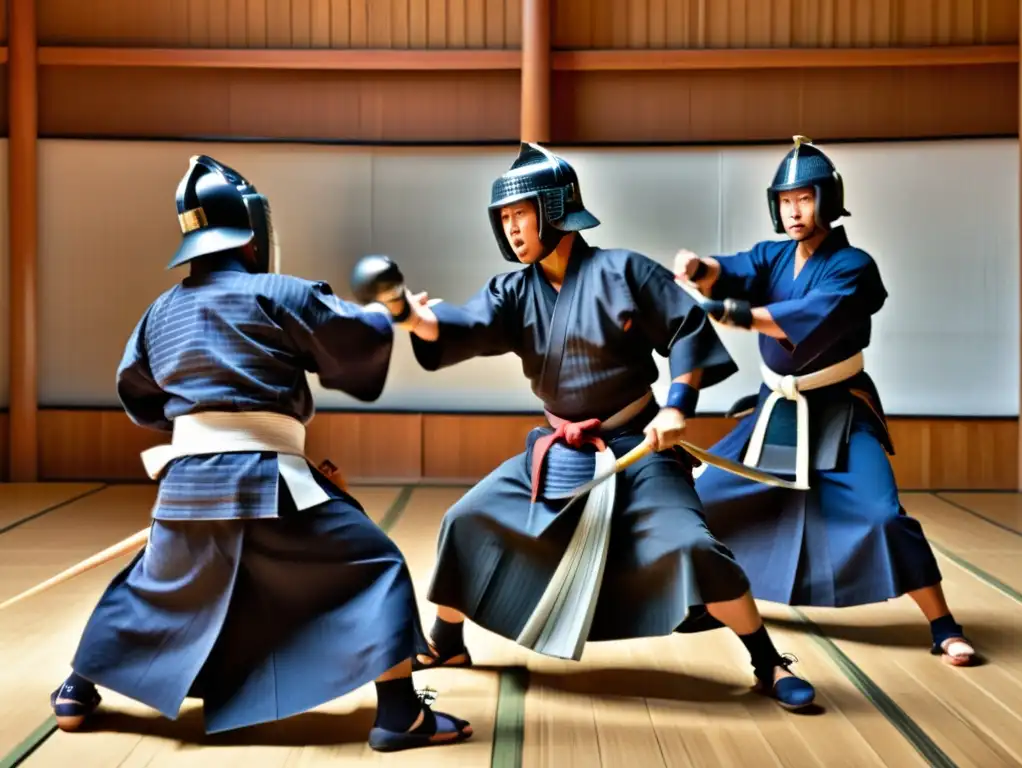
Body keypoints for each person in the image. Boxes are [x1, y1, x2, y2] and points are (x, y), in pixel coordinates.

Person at [48, 155, 473, 752]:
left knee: (157, 584)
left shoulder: (158, 314)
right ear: (253, 234)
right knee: (375, 568)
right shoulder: (276, 293)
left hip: (186, 487)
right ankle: (400, 715)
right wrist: (385, 313)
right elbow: (351, 336)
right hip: (267, 480)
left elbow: (138, 396)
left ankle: (76, 687)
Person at [394, 142, 817, 710]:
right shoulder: (513, 291)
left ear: (553, 209)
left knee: (693, 544)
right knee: (466, 519)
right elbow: (466, 323)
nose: (511, 228)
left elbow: (688, 330)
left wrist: (674, 408)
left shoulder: (623, 271)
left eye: (520, 213)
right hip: (561, 450)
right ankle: (447, 642)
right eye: (504, 217)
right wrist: (418, 319)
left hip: (640, 446)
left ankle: (767, 661)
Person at [676, 135, 975, 667]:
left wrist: (734, 315)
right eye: (786, 201)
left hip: (839, 409)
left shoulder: (853, 266)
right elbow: (736, 269)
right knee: (702, 501)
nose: (795, 211)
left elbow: (809, 316)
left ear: (827, 200)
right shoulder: (774, 256)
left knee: (882, 516)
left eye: (805, 199)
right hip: (776, 410)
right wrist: (699, 269)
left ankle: (942, 622)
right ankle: (707, 599)